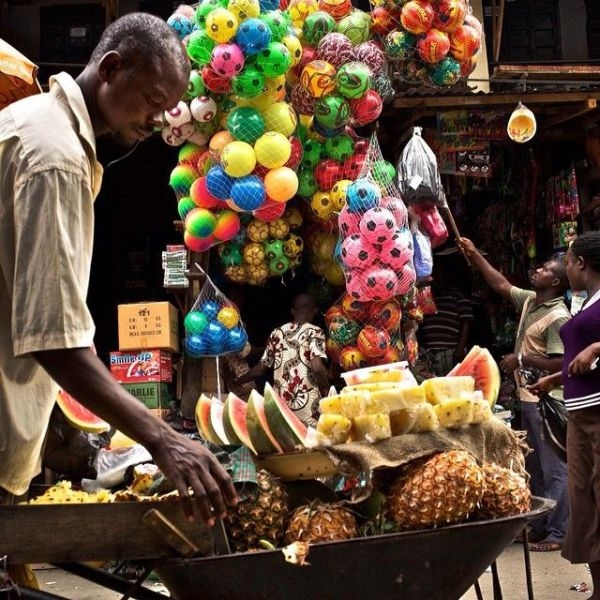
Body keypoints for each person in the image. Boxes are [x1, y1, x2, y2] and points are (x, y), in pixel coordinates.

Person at [0, 13, 237, 522]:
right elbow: (52, 338)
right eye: (153, 101)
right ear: (110, 67)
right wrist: (163, 439)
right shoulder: (55, 157)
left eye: (168, 108)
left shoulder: (39, 126)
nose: (159, 121)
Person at [457, 236, 571, 552]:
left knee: (553, 467)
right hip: (528, 397)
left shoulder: (557, 316)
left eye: (544, 269)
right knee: (533, 465)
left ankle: (557, 532)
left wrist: (520, 359)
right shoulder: (532, 301)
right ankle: (538, 526)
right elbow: (501, 284)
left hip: (547, 401)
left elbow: (561, 360)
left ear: (556, 281)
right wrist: (475, 254)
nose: (536, 270)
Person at [530, 231, 600, 598]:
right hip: (579, 415)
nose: (566, 266)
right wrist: (555, 377)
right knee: (585, 502)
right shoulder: (586, 304)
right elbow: (580, 359)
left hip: (597, 414)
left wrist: (597, 347)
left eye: (569, 261)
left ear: (581, 264)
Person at [234, 293, 329, 427]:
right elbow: (317, 367)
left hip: (280, 406)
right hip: (308, 408)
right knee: (309, 445)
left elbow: (259, 370)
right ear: (315, 310)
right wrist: (326, 387)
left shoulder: (277, 333)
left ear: (292, 311)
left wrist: (237, 381)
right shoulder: (315, 332)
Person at [417, 256, 473, 376]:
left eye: (438, 274)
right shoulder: (428, 298)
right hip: (427, 352)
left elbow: (465, 324)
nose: (434, 279)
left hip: (449, 351)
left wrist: (460, 349)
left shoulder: (457, 296)